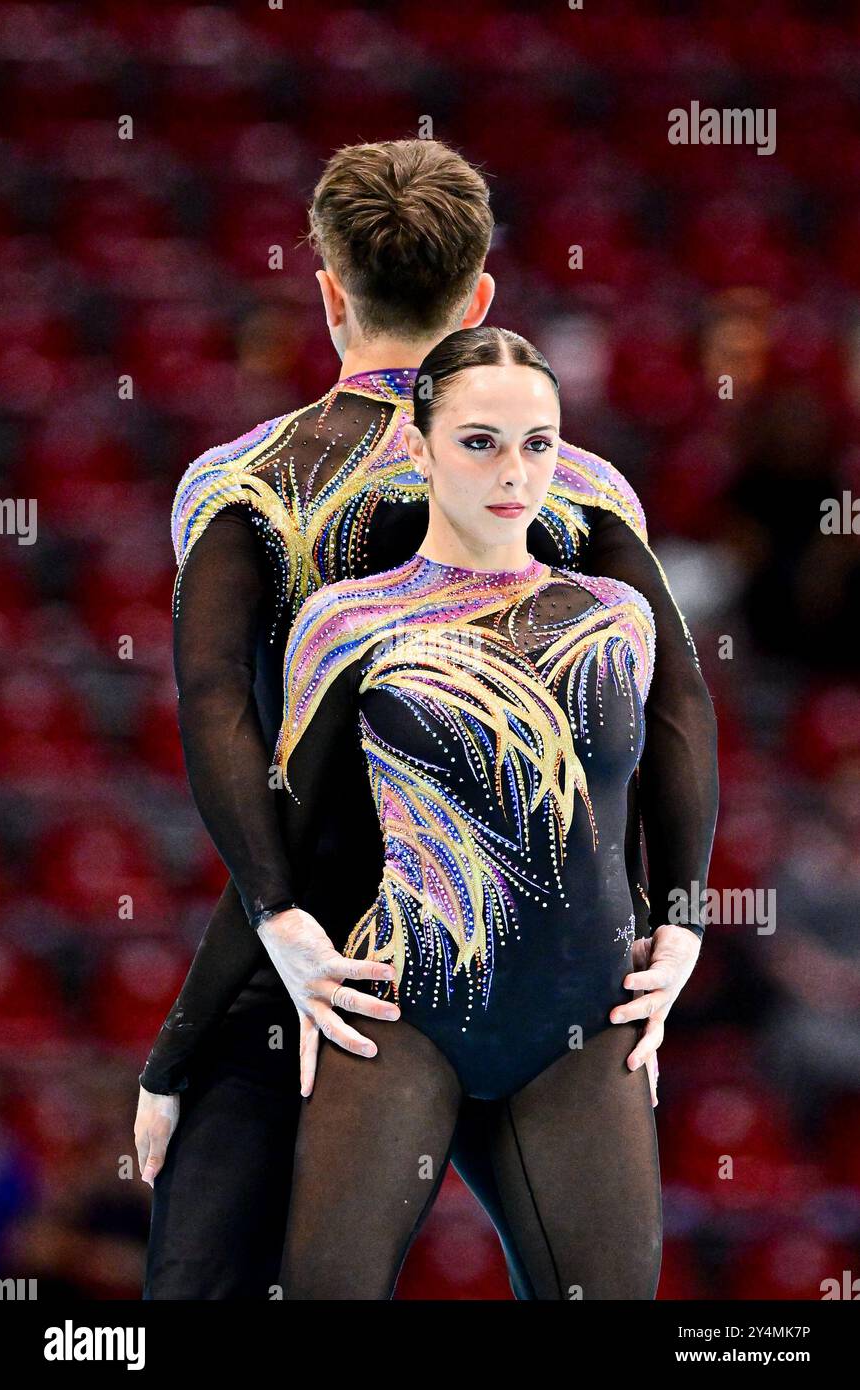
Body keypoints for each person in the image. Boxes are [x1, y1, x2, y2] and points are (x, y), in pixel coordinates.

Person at [135, 138, 718, 1299]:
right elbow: (679, 703)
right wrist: (680, 909)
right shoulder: (583, 486)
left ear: (328, 292)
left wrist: (278, 917)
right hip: (539, 932)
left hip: (309, 937)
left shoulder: (242, 479)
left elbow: (214, 708)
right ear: (480, 297)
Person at [275, 326, 704, 1298]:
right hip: (400, 1003)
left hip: (584, 1016)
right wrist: (276, 940)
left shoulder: (613, 616)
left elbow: (667, 769)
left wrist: (682, 924)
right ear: (418, 448)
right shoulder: (349, 618)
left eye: (538, 443)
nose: (514, 471)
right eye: (479, 441)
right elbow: (285, 837)